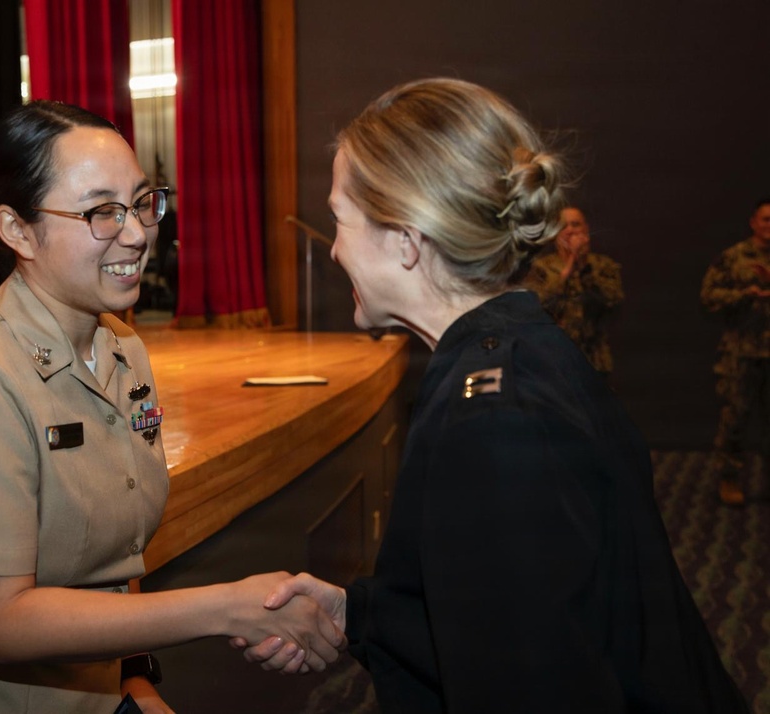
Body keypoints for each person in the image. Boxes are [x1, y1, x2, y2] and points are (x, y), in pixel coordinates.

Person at [239, 79, 749, 712]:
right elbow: (505, 611)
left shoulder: (494, 422)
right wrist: (358, 614)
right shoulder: (521, 351)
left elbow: (534, 686)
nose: (335, 246)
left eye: (339, 218)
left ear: (405, 239)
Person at [0, 100, 344, 714]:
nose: (136, 232)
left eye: (140, 203)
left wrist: (134, 683)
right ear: (17, 230)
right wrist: (224, 607)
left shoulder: (123, 349)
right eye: (101, 211)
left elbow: (116, 557)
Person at [700, 198, 770, 506]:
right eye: (766, 219)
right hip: (742, 351)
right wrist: (744, 295)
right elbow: (709, 296)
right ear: (754, 222)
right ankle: (729, 479)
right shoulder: (734, 258)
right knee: (736, 419)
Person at [526, 206, 624, 376]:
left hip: (595, 362)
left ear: (586, 229)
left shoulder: (602, 265)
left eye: (575, 224)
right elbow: (540, 307)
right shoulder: (541, 268)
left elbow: (612, 302)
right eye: (564, 226)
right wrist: (570, 265)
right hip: (555, 361)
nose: (570, 230)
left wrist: (584, 268)